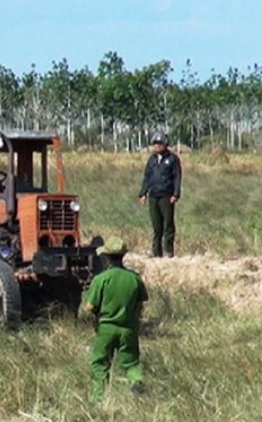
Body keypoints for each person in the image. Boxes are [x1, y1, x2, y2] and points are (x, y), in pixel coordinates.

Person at [83, 237, 148, 402]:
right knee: (131, 362)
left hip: (106, 328)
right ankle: (135, 380)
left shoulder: (101, 279)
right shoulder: (134, 278)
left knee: (100, 363)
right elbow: (141, 306)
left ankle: (98, 399)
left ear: (106, 257)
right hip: (129, 328)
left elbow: (89, 307)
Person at [138, 131, 182, 258]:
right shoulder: (151, 160)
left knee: (168, 225)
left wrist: (176, 194)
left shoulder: (172, 159)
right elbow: (147, 177)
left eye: (160, 143)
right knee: (156, 226)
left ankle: (168, 251)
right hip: (153, 195)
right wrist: (143, 193)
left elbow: (177, 177)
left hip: (166, 196)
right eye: (155, 144)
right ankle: (156, 252)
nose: (157, 146)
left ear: (165, 144)